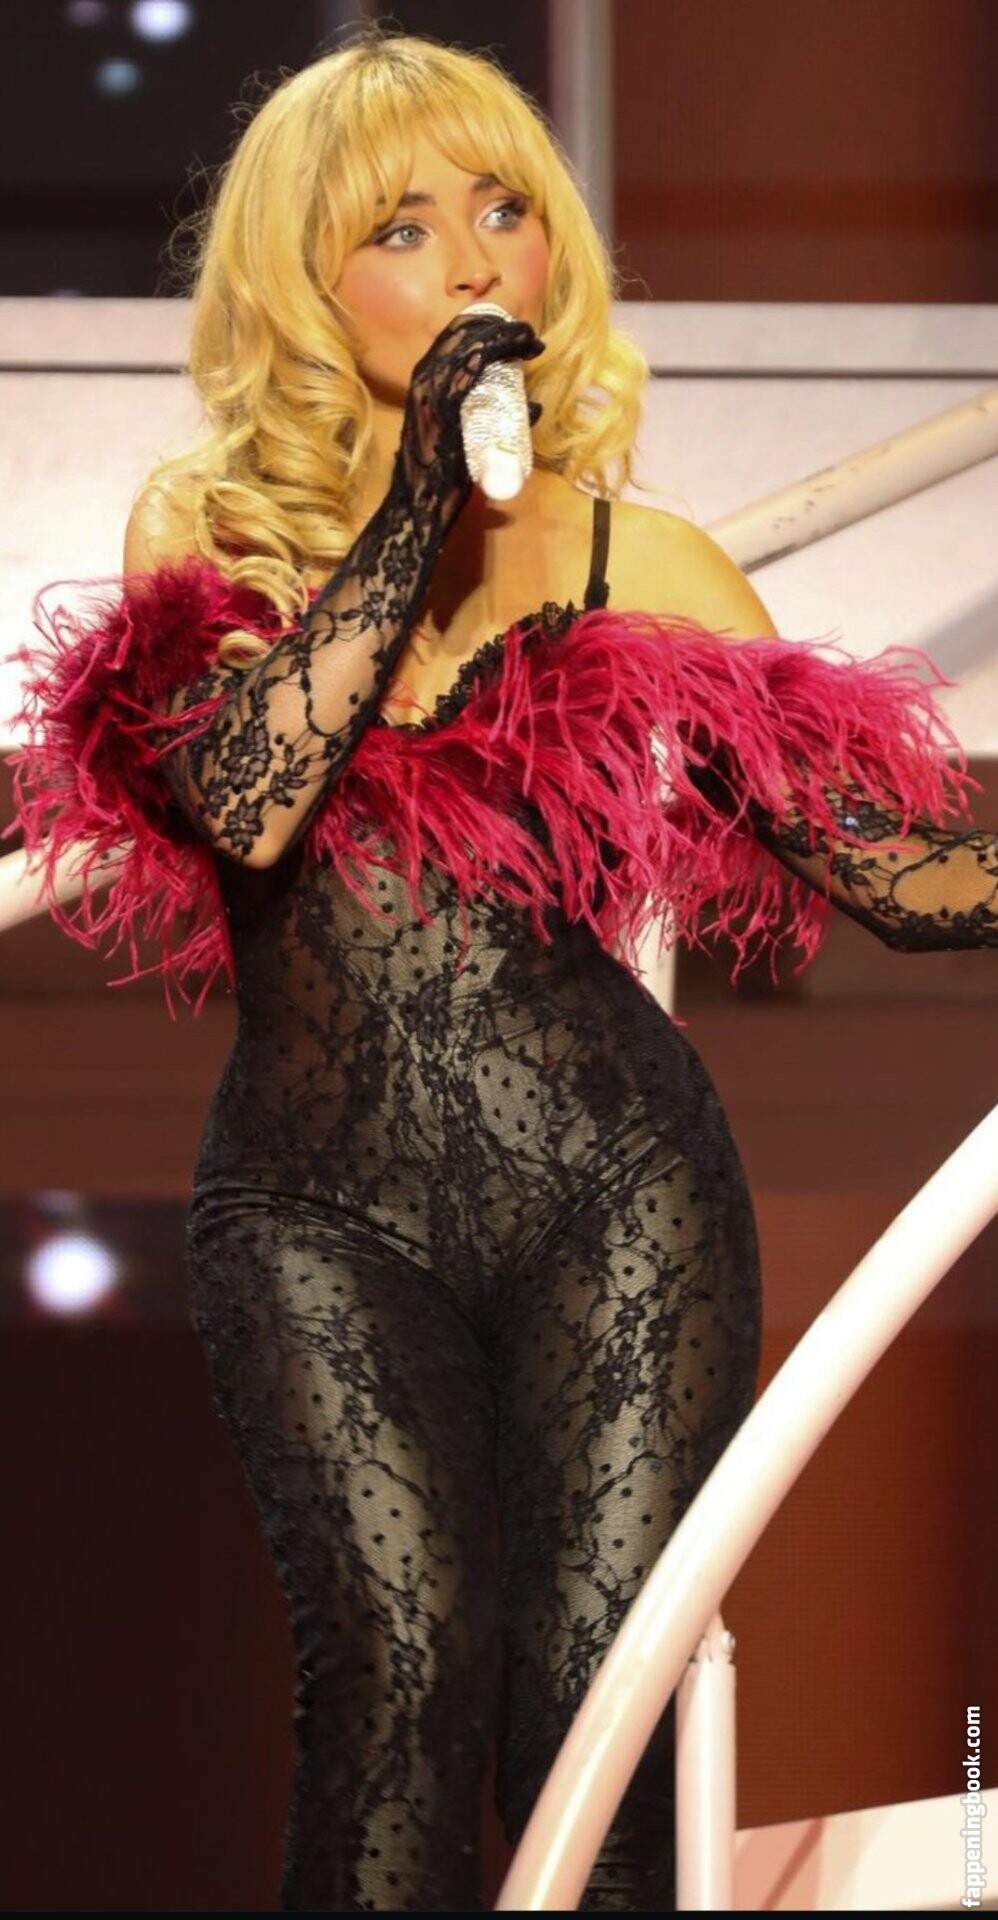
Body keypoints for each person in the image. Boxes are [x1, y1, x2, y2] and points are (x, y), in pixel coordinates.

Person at [7, 27, 997, 1915]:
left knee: (594, 1721)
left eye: (504, 212)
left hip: (615, 1191)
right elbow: (244, 802)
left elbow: (897, 875)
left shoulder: (649, 558)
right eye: (401, 228)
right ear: (304, 284)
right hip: (315, 1208)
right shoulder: (207, 530)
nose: (476, 264)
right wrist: (416, 505)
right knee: (392, 1678)